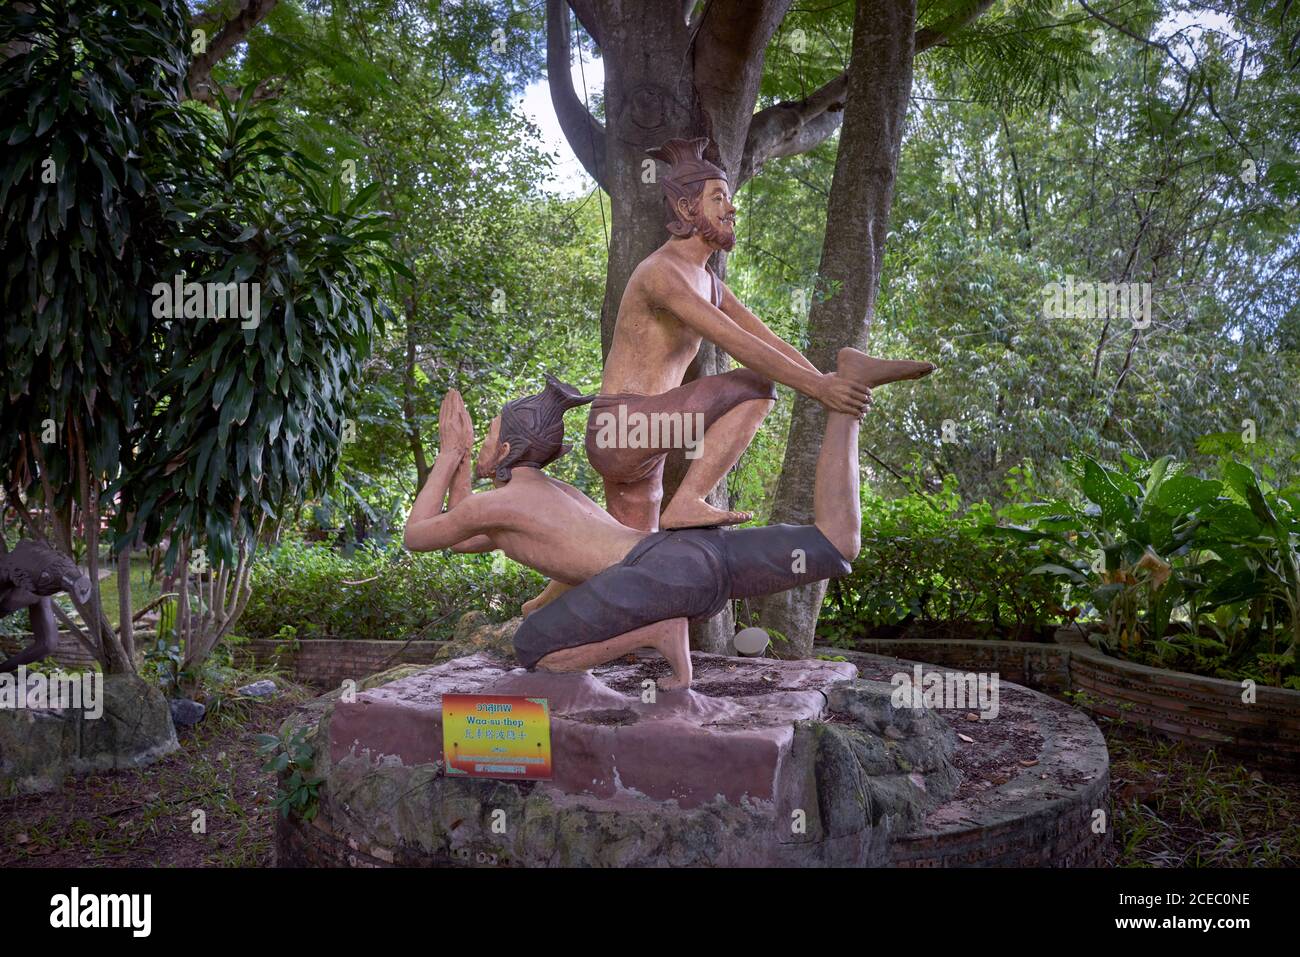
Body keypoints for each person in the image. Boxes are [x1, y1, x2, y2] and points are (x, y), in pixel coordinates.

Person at [403, 348, 933, 691]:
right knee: (836, 541)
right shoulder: (547, 493)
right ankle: (850, 395)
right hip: (688, 554)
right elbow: (464, 536)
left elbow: (421, 536)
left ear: (511, 450)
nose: (481, 445)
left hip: (662, 576)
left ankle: (658, 629)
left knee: (533, 648)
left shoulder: (501, 504)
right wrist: (468, 460)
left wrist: (451, 453)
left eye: (489, 437)